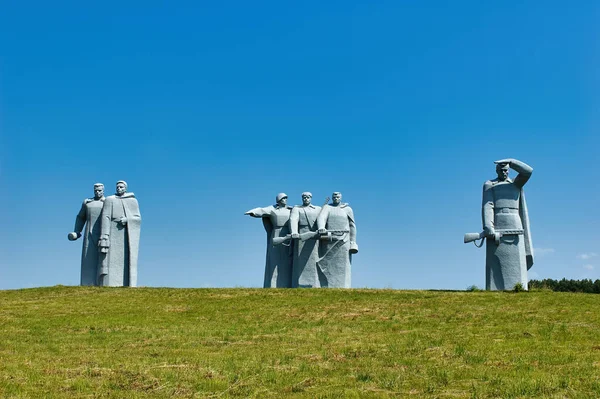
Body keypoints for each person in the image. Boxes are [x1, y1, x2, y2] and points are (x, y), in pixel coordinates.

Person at [482, 159, 534, 290]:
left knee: (516, 259)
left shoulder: (516, 183)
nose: (504, 172)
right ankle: (495, 287)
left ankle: (519, 287)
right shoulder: (490, 184)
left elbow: (528, 171)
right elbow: (487, 205)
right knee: (496, 259)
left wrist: (512, 161)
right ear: (497, 170)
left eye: (506, 170)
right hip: (498, 222)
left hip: (515, 221)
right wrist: (488, 226)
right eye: (501, 170)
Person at [98, 181, 142, 287]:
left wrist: (128, 219)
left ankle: (126, 283)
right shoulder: (110, 200)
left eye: (121, 187)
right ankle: (109, 284)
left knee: (125, 260)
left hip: (126, 235)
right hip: (112, 232)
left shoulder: (132, 201)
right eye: (117, 187)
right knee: (109, 260)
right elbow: (106, 216)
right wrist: (105, 235)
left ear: (125, 188)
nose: (119, 188)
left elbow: (138, 218)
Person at [245, 193, 293, 288]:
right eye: (283, 198)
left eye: (286, 198)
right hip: (276, 234)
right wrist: (252, 212)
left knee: (288, 260)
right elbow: (261, 210)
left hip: (288, 234)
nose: (285, 200)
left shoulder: (291, 210)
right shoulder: (272, 209)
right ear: (279, 200)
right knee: (274, 260)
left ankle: (288, 284)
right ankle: (273, 285)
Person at [316, 192, 358, 288]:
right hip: (329, 239)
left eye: (338, 196)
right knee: (327, 264)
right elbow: (321, 217)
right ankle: (325, 286)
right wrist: (321, 227)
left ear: (341, 197)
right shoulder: (327, 207)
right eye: (334, 196)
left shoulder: (347, 209)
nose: (336, 198)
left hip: (344, 241)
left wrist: (353, 241)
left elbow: (352, 226)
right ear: (332, 198)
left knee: (343, 266)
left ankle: (343, 287)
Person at [68, 183, 105, 286]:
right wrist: (77, 231)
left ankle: (102, 283)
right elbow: (80, 217)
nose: (98, 192)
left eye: (100, 190)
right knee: (88, 258)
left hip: (103, 234)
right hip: (88, 234)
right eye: (96, 191)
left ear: (103, 191)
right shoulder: (87, 202)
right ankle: (87, 283)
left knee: (102, 259)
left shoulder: (107, 202)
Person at [289, 192, 322, 287]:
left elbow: (321, 219)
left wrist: (321, 228)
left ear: (311, 198)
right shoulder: (297, 208)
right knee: (300, 260)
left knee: (314, 259)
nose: (306, 199)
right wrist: (294, 231)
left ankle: (314, 284)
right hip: (301, 234)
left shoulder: (318, 209)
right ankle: (299, 283)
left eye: (308, 197)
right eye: (304, 197)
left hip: (314, 236)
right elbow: (293, 219)